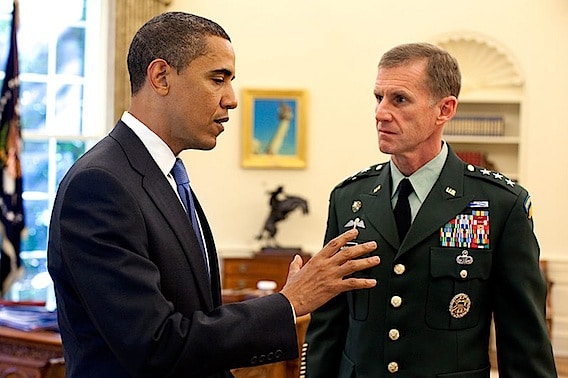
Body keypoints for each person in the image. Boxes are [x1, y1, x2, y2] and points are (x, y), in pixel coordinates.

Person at [47, 12, 380, 378]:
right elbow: (155, 345)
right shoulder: (101, 184)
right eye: (217, 79)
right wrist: (288, 303)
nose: (232, 99)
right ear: (161, 77)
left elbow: (195, 321)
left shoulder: (166, 176)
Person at [304, 42, 557, 377]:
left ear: (445, 109)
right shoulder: (350, 198)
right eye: (378, 98)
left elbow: (524, 342)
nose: (381, 112)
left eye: (400, 99)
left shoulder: (499, 204)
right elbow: (328, 325)